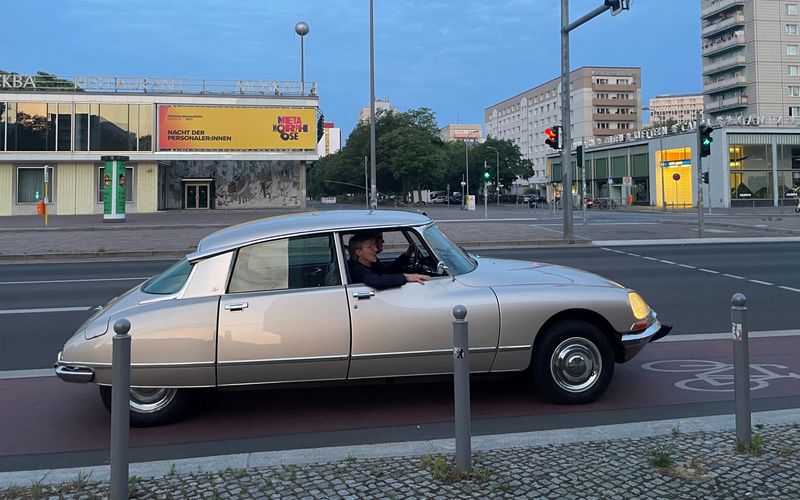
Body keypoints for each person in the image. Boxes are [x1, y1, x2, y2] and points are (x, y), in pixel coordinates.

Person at [348, 232, 429, 290]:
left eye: (375, 245)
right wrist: (406, 277)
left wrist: (406, 255)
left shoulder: (371, 264)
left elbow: (387, 270)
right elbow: (376, 280)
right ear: (359, 252)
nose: (376, 249)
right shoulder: (356, 269)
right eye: (370, 247)